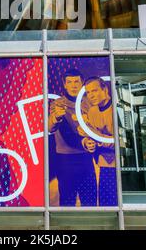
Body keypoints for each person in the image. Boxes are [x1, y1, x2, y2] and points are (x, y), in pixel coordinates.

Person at [49, 69, 97, 206]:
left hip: (86, 158)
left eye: (76, 81)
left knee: (90, 201)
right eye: (69, 82)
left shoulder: (89, 102)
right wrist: (56, 117)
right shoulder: (58, 104)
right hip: (65, 160)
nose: (73, 85)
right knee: (67, 201)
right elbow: (52, 128)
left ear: (82, 84)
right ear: (64, 85)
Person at [79, 77, 118, 206]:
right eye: (88, 92)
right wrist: (88, 143)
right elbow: (92, 137)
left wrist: (92, 133)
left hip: (120, 165)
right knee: (106, 205)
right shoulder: (92, 111)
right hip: (103, 166)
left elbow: (119, 140)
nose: (91, 95)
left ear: (105, 89)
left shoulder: (117, 108)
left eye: (94, 91)